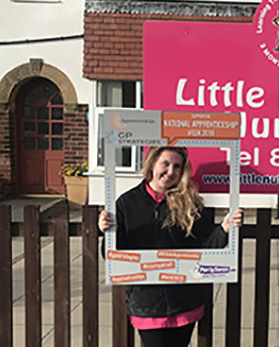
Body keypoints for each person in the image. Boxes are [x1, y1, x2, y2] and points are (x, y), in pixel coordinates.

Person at [98, 146, 243, 347]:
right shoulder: (127, 203)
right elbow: (113, 254)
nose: (170, 171)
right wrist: (107, 232)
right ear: (152, 164)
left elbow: (206, 247)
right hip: (147, 301)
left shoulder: (190, 203)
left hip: (185, 298)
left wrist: (224, 229)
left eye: (177, 166)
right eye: (165, 164)